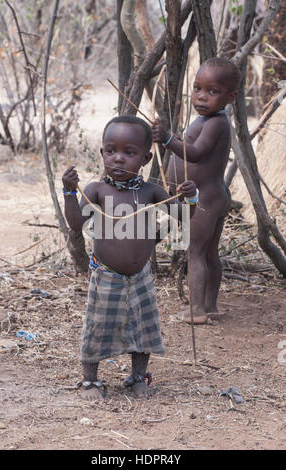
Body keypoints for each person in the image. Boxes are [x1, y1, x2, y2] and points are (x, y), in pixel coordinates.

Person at [62, 114, 198, 400]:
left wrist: (190, 197)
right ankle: (90, 381)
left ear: (146, 159)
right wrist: (69, 193)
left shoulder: (151, 191)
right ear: (102, 153)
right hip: (106, 275)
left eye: (129, 152)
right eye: (111, 151)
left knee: (143, 328)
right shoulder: (96, 191)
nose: (118, 159)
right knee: (99, 327)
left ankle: (137, 378)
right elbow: (75, 224)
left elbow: (181, 216)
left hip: (141, 277)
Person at [152, 57, 241, 325]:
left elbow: (197, 153)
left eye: (213, 91)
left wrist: (168, 140)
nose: (202, 97)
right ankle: (209, 305)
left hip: (204, 199)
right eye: (197, 88)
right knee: (209, 253)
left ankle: (198, 309)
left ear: (231, 96)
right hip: (213, 196)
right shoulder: (208, 119)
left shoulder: (215, 123)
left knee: (196, 253)